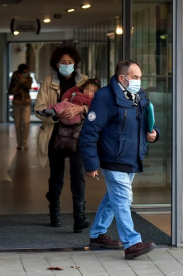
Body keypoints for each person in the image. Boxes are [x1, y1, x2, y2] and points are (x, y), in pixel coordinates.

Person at [79, 60, 160, 260]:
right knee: (123, 199)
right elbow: (89, 132)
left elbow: (147, 122)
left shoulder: (139, 95)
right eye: (135, 77)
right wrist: (91, 163)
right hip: (113, 157)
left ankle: (97, 234)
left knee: (113, 198)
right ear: (122, 78)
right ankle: (132, 243)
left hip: (131, 157)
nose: (139, 81)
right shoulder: (105, 97)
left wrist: (154, 134)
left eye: (140, 77)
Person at [34, 46, 90, 233]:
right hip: (55, 135)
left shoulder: (85, 81)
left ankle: (79, 217)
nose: (67, 65)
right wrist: (57, 115)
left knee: (78, 175)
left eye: (70, 62)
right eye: (63, 62)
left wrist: (80, 110)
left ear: (75, 63)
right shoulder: (49, 81)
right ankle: (55, 212)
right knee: (56, 176)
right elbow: (39, 108)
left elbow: (96, 105)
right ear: (56, 64)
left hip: (78, 136)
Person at [36, 78, 101, 125]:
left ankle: (53, 111)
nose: (88, 92)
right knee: (62, 104)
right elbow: (68, 92)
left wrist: (82, 108)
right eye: (87, 89)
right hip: (63, 117)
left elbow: (93, 109)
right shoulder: (77, 90)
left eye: (93, 91)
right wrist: (65, 98)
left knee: (63, 104)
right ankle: (47, 111)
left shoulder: (93, 99)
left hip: (76, 117)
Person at [8, 64, 33, 150]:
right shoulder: (14, 78)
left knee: (26, 123)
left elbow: (28, 87)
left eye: (27, 72)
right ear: (20, 72)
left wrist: (21, 79)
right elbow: (9, 90)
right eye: (24, 72)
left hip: (26, 103)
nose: (26, 73)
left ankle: (25, 143)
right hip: (17, 103)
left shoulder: (29, 78)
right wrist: (15, 89)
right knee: (17, 124)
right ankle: (19, 143)